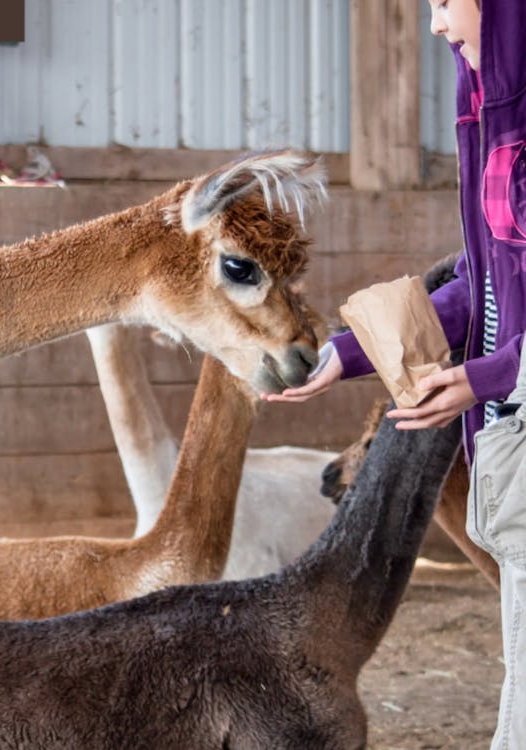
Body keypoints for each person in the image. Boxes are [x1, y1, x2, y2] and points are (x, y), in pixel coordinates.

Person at [266, 1, 526, 745]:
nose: (438, 26)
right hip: (510, 448)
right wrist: (344, 353)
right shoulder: (491, 129)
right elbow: (480, 287)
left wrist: (491, 375)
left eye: (448, 3)